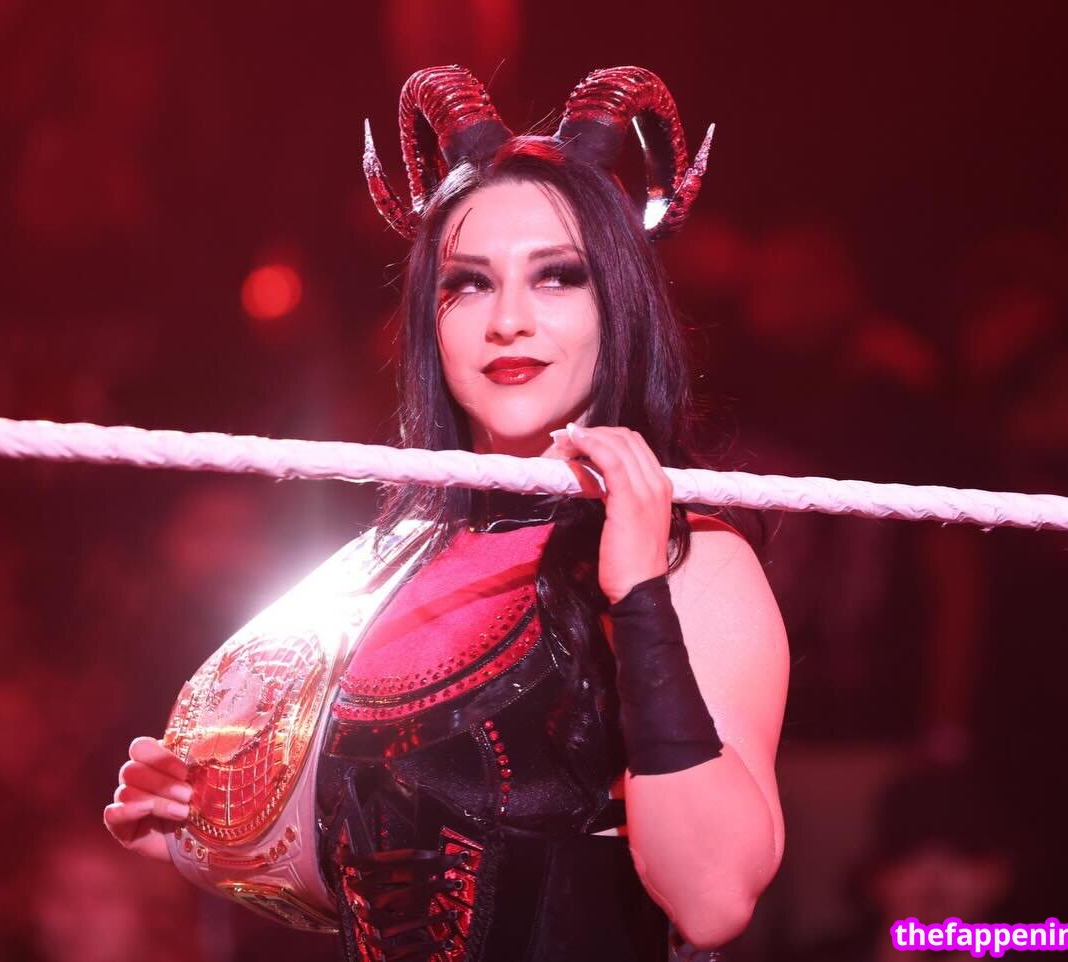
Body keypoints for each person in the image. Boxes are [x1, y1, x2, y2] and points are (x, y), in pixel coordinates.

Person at [105, 65, 789, 961]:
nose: (508, 320)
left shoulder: (694, 561)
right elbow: (357, 874)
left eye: (558, 278)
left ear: (620, 306)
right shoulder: (390, 564)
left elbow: (712, 902)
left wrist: (637, 594)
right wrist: (199, 830)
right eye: (468, 283)